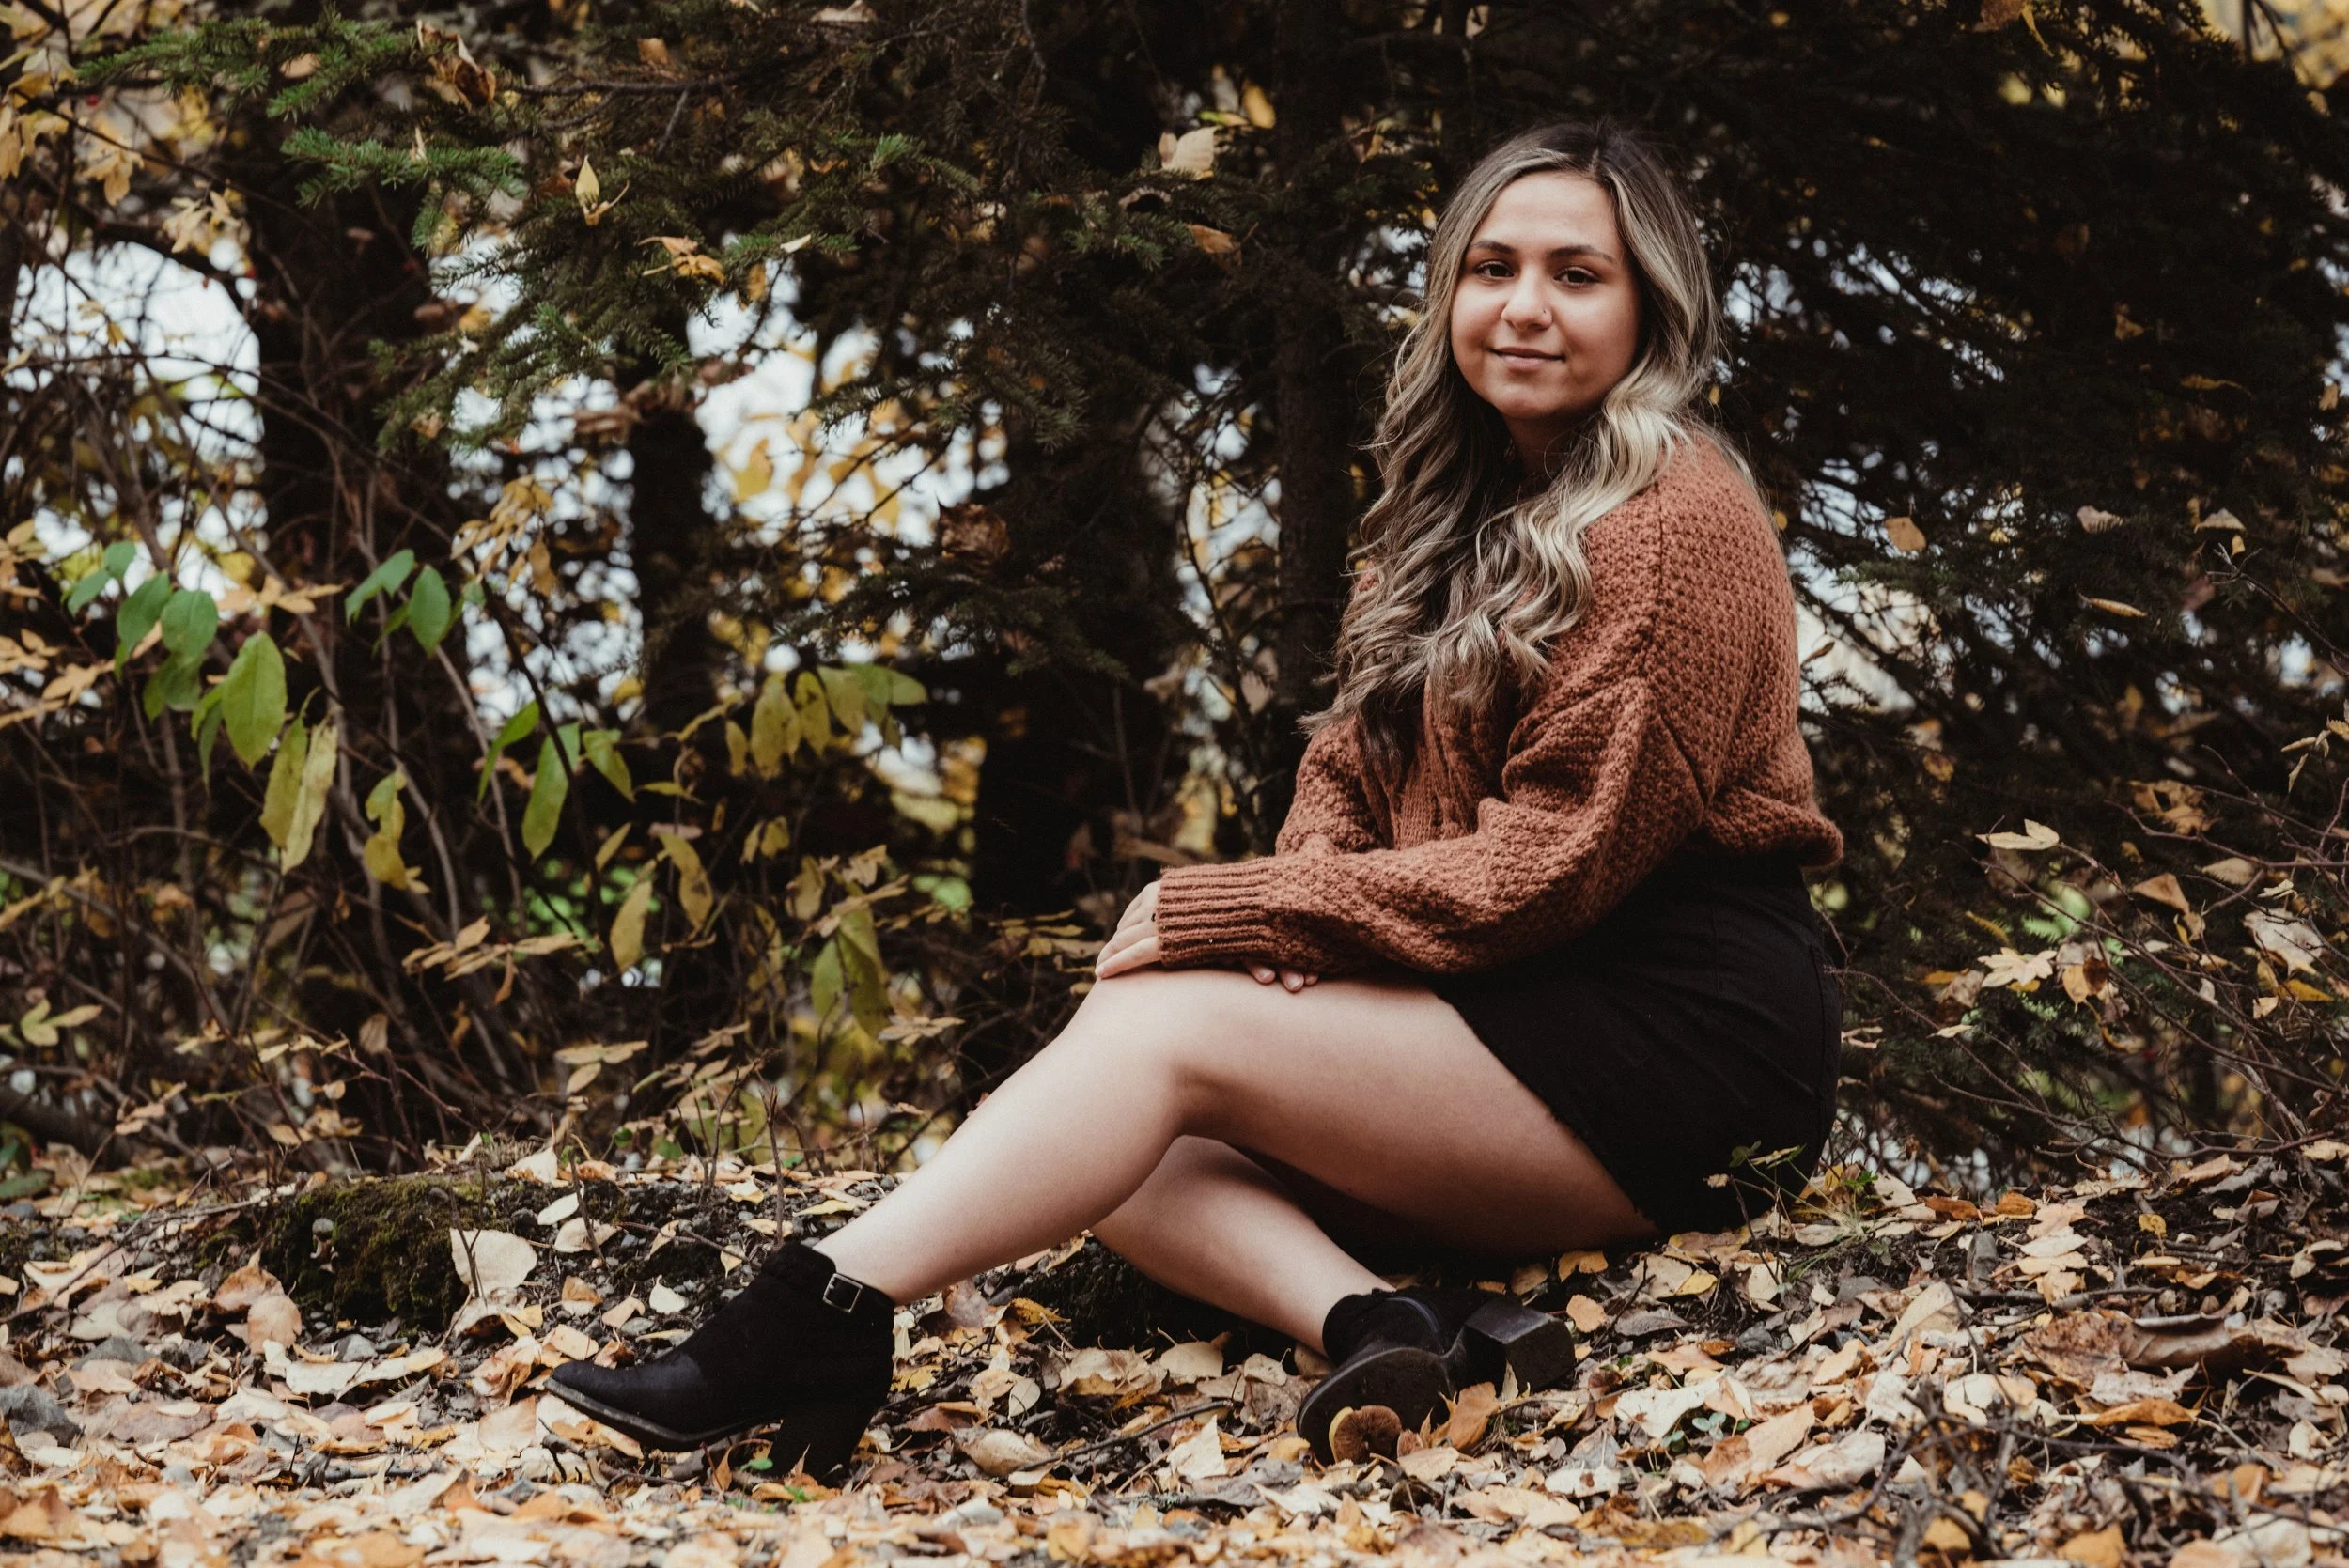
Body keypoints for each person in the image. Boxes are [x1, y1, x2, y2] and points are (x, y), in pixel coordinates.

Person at [549, 116, 1845, 1475]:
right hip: (1513, 1003)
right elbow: (1347, 774)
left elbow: (1553, 864)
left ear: (1649, 312)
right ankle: (1388, 1320)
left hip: (1680, 1042)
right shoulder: (1454, 509)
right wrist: (1298, 922)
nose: (1524, 307)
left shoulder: (1673, 522)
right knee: (1105, 1130)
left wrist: (1253, 915)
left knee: (1156, 1030)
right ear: (1449, 291)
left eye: (1577, 275)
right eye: (1491, 267)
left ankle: (814, 1315)